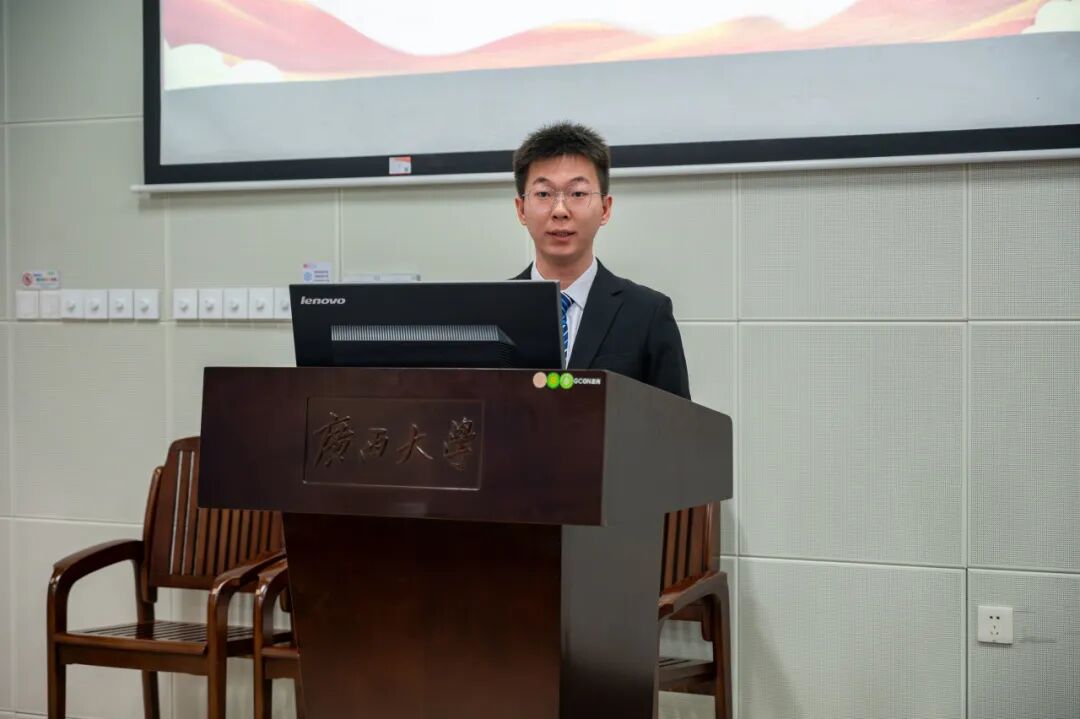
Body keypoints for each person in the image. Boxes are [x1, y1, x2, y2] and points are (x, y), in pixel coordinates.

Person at [511, 121, 690, 399]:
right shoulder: (493, 310)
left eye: (578, 194)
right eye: (544, 194)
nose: (560, 210)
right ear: (521, 209)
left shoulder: (648, 314)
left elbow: (675, 421)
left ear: (605, 208)